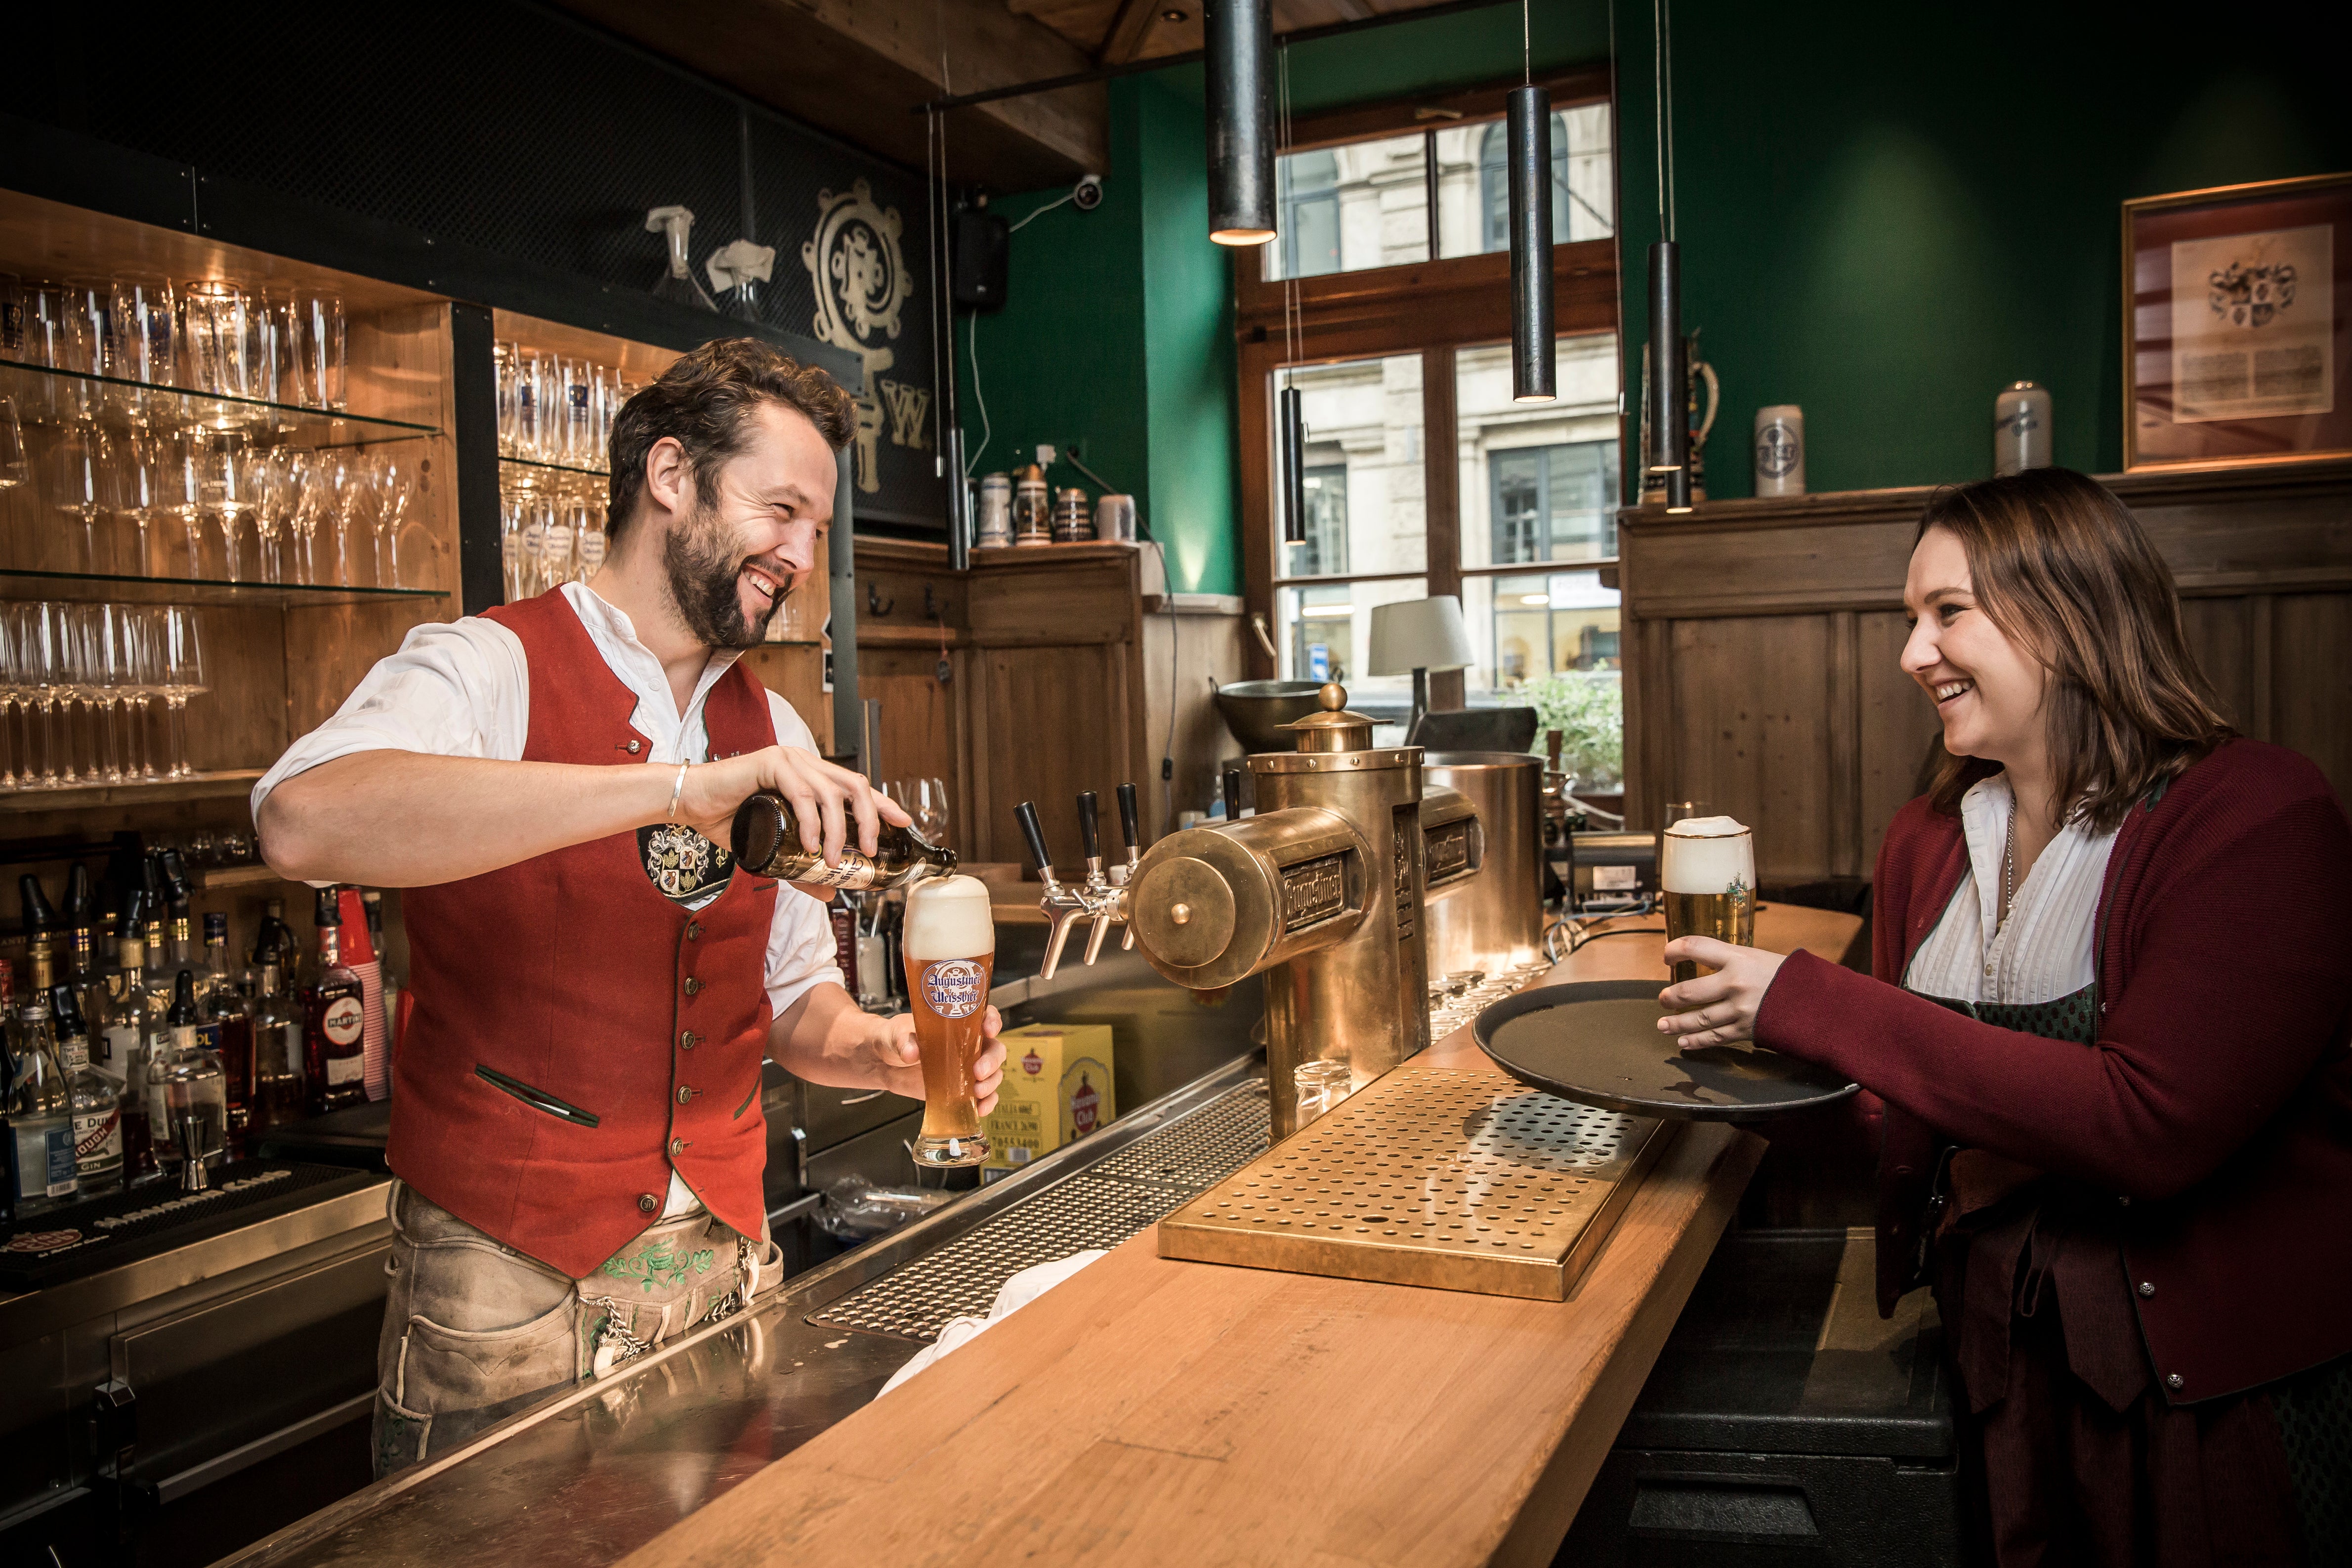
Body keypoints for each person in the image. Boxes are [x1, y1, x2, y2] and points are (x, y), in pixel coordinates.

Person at [256, 339, 1006, 1477]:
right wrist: (674, 791)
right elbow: (302, 823)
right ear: (670, 476)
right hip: (508, 1283)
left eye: (818, 529)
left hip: (724, 1274)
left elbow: (793, 1003)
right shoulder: (483, 668)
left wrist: (882, 1052)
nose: (804, 556)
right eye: (781, 511)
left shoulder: (776, 730)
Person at [1653, 468, 2352, 1566]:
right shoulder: (1928, 838)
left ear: (2073, 612)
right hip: (1997, 1372)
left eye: (1947, 613)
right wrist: (1729, 1086)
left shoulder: (2256, 814)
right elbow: (1907, 1120)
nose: (1911, 654)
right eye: (1908, 620)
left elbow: (2150, 1123)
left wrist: (1809, 996)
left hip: (2205, 1404)